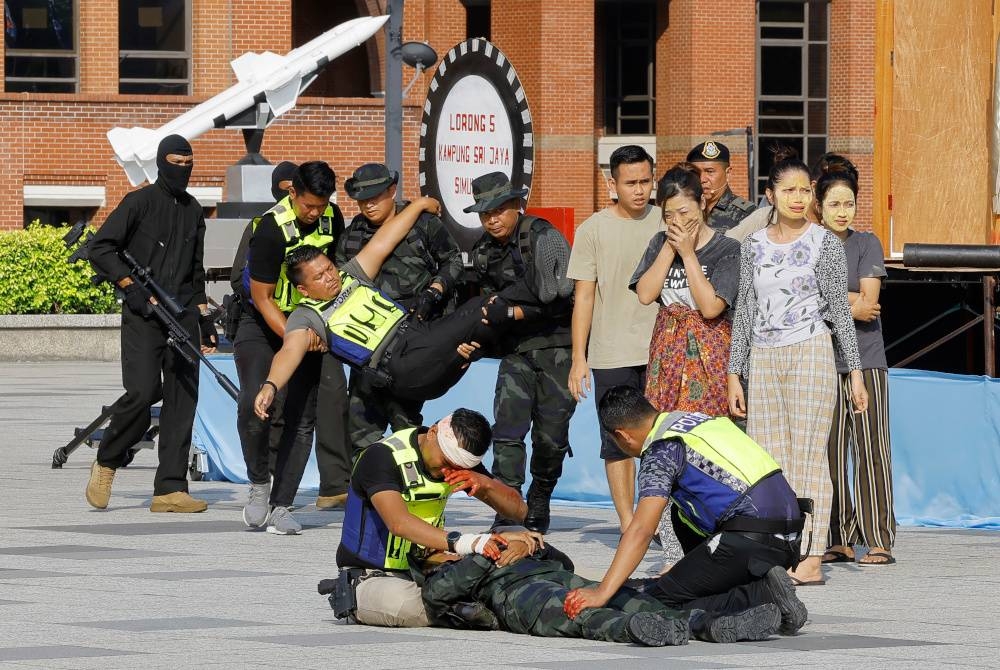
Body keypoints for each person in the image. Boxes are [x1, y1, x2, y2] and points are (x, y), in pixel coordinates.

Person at [727, 147, 869, 585]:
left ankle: (810, 555)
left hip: (811, 350)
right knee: (771, 459)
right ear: (770, 194)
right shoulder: (752, 246)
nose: (798, 198)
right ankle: (779, 548)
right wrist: (736, 371)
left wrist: (855, 371)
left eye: (805, 190)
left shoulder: (824, 242)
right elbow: (746, 308)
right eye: (788, 190)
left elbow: (839, 311)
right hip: (765, 358)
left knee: (809, 457)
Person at [563, 386, 808, 637]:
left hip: (749, 537)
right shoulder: (695, 420)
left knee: (657, 599)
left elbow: (642, 530)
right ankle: (756, 589)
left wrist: (602, 591)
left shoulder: (661, 449)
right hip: (789, 538)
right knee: (678, 513)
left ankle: (759, 597)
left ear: (622, 436)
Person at [251, 208, 518, 417]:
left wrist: (419, 205)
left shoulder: (351, 275)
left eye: (329, 268)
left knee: (483, 315)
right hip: (401, 365)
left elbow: (386, 238)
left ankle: (487, 339)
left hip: (424, 343)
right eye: (319, 277)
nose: (330, 277)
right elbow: (289, 351)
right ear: (304, 290)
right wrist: (270, 385)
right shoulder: (305, 315)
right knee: (479, 309)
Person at [85, 134, 213, 513]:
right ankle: (108, 460)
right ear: (160, 163)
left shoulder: (194, 210)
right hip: (143, 314)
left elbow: (195, 269)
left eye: (188, 163)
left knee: (182, 401)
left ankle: (170, 488)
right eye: (176, 162)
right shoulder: (138, 202)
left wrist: (203, 317)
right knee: (142, 393)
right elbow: (102, 247)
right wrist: (130, 286)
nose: (183, 169)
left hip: (184, 314)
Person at [233, 160, 349, 535]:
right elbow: (263, 297)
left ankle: (282, 505)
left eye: (322, 204)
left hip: (310, 326)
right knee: (254, 402)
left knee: (303, 418)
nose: (315, 213)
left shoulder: (333, 218)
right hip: (264, 324)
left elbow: (336, 275)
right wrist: (293, 339)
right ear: (292, 193)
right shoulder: (270, 228)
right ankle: (258, 484)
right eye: (308, 205)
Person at [335, 408, 532, 627]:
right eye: (446, 462)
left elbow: (519, 512)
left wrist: (484, 484)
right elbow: (398, 523)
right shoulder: (382, 456)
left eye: (459, 467)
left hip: (429, 567)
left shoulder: (460, 462)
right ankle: (471, 606)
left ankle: (465, 604)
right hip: (374, 574)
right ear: (433, 433)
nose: (448, 471)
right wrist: (466, 542)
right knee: (403, 604)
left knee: (520, 537)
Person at [467, 171, 576, 534]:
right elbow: (483, 305)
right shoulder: (482, 251)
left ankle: (541, 495)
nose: (492, 219)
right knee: (508, 431)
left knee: (551, 436)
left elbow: (563, 297)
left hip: (556, 348)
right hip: (516, 352)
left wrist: (514, 311)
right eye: (485, 214)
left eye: (498, 210)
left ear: (516, 205)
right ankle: (508, 506)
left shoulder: (543, 238)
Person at [335, 163, 463, 467]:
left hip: (413, 341)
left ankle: (409, 492)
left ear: (392, 191)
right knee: (360, 425)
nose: (368, 205)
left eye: (375, 197)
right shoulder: (352, 236)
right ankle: (367, 496)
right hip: (368, 345)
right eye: (362, 199)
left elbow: (454, 262)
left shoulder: (424, 225)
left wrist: (435, 291)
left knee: (404, 422)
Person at [420, 538, 783, 645]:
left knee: (630, 597)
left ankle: (710, 625)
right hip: (518, 596)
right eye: (435, 549)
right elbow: (438, 597)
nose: (448, 546)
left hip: (551, 575)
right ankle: (637, 630)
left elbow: (565, 563)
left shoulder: (498, 543)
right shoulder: (445, 572)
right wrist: (487, 553)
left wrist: (533, 546)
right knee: (581, 613)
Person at [567, 144, 661, 534]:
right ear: (612, 184)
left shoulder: (668, 220)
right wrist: (578, 357)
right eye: (631, 182)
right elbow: (583, 297)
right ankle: (628, 524)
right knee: (618, 442)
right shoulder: (592, 230)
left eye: (646, 181)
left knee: (663, 441)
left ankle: (660, 520)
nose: (640, 190)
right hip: (611, 353)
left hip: (663, 351)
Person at [816, 171, 897, 567]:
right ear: (819, 206)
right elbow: (801, 298)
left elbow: (869, 304)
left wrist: (825, 298)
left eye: (848, 203)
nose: (842, 211)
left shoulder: (866, 243)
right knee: (829, 453)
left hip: (866, 359)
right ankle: (838, 537)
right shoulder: (809, 245)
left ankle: (878, 538)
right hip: (819, 361)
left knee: (871, 450)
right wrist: (845, 300)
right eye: (834, 204)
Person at [631, 162, 741, 417]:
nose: (677, 222)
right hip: (667, 353)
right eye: (669, 216)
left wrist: (688, 254)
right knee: (665, 429)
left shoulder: (727, 249)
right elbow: (646, 295)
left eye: (683, 212)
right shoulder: (660, 242)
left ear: (702, 203)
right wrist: (671, 248)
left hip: (709, 355)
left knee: (706, 431)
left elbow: (711, 307)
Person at [686, 141, 756, 234]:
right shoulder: (684, 208)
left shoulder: (747, 212)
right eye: (696, 173)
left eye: (710, 171)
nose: (702, 179)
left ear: (728, 173)